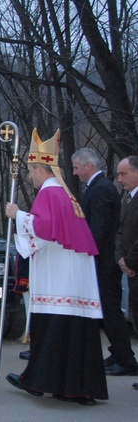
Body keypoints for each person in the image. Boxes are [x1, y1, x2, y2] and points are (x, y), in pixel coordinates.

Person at [5, 129, 107, 406]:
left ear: (40, 168)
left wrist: (19, 215)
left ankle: (39, 381)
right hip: (74, 279)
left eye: (30, 170)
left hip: (58, 279)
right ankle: (76, 388)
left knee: (54, 330)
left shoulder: (50, 192)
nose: (29, 176)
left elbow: (46, 230)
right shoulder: (65, 193)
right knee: (75, 334)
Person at [72, 148, 137, 376]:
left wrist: (85, 252)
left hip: (105, 261)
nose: (75, 172)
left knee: (110, 310)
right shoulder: (99, 187)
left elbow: (99, 229)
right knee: (107, 310)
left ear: (88, 166)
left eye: (77, 167)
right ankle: (119, 352)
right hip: (105, 258)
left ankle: (126, 359)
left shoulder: (100, 189)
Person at [115, 155, 138, 395]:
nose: (120, 179)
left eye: (124, 173)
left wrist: (130, 261)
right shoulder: (128, 199)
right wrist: (121, 260)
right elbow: (121, 232)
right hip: (130, 269)